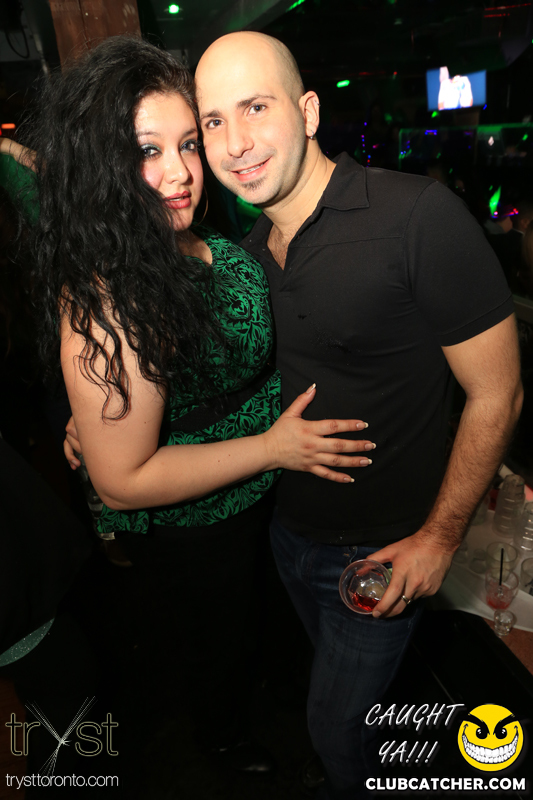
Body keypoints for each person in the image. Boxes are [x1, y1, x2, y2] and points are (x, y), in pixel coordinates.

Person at [7, 36, 374, 789]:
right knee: (214, 652)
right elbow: (123, 482)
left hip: (263, 504)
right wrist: (273, 448)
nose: (179, 173)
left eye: (186, 144)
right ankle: (221, 742)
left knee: (259, 635)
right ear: (102, 164)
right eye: (147, 150)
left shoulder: (186, 238)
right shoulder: (109, 297)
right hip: (198, 527)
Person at [194, 31, 523, 799]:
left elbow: (498, 393)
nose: (235, 142)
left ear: (307, 111)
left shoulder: (415, 216)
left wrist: (439, 538)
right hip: (289, 539)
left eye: (255, 107)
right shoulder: (245, 254)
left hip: (385, 549)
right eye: (213, 120)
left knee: (335, 729)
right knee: (352, 711)